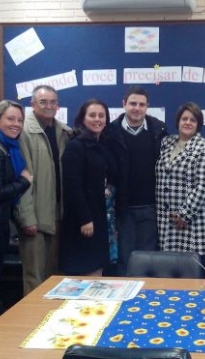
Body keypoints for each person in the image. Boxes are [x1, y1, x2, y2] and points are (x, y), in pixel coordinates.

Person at [104, 86, 167, 273]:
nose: (136, 108)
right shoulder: (110, 131)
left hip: (150, 208)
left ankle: (148, 301)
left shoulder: (159, 130)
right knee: (125, 261)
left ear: (147, 107)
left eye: (141, 104)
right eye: (132, 103)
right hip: (123, 209)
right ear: (124, 104)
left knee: (148, 262)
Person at [17, 85, 70, 295]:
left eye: (52, 102)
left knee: (53, 275)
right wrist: (27, 217)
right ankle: (31, 322)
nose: (48, 106)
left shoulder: (63, 132)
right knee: (34, 277)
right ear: (32, 105)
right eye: (42, 102)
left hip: (57, 214)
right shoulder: (24, 133)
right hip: (35, 217)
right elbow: (23, 179)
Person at [155, 102, 205, 271]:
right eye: (184, 119)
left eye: (193, 120)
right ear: (178, 121)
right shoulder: (166, 143)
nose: (188, 122)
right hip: (166, 220)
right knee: (169, 272)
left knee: (193, 273)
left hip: (192, 221)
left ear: (198, 125)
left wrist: (184, 214)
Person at [60, 99, 118, 276]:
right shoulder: (75, 146)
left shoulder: (104, 144)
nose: (97, 119)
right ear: (82, 119)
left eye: (101, 115)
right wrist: (85, 218)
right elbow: (72, 186)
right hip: (84, 220)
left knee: (99, 267)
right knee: (86, 270)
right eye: (92, 115)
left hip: (103, 217)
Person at [0, 100, 32, 286]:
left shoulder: (10, 147)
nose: (16, 124)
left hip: (0, 223)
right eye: (10, 119)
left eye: (20, 120)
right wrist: (24, 182)